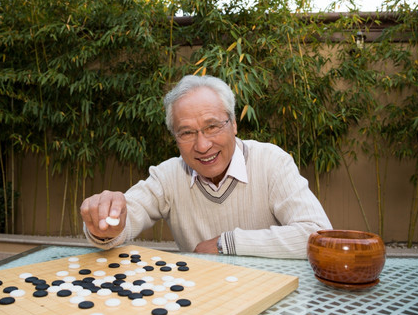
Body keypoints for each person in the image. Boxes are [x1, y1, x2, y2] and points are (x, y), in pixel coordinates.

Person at [80, 75, 332, 258]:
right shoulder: (168, 175)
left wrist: (228, 243)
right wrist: (107, 223)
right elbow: (126, 215)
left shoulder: (272, 162)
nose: (202, 145)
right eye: (187, 132)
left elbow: (317, 236)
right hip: (201, 298)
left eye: (213, 127)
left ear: (233, 124)